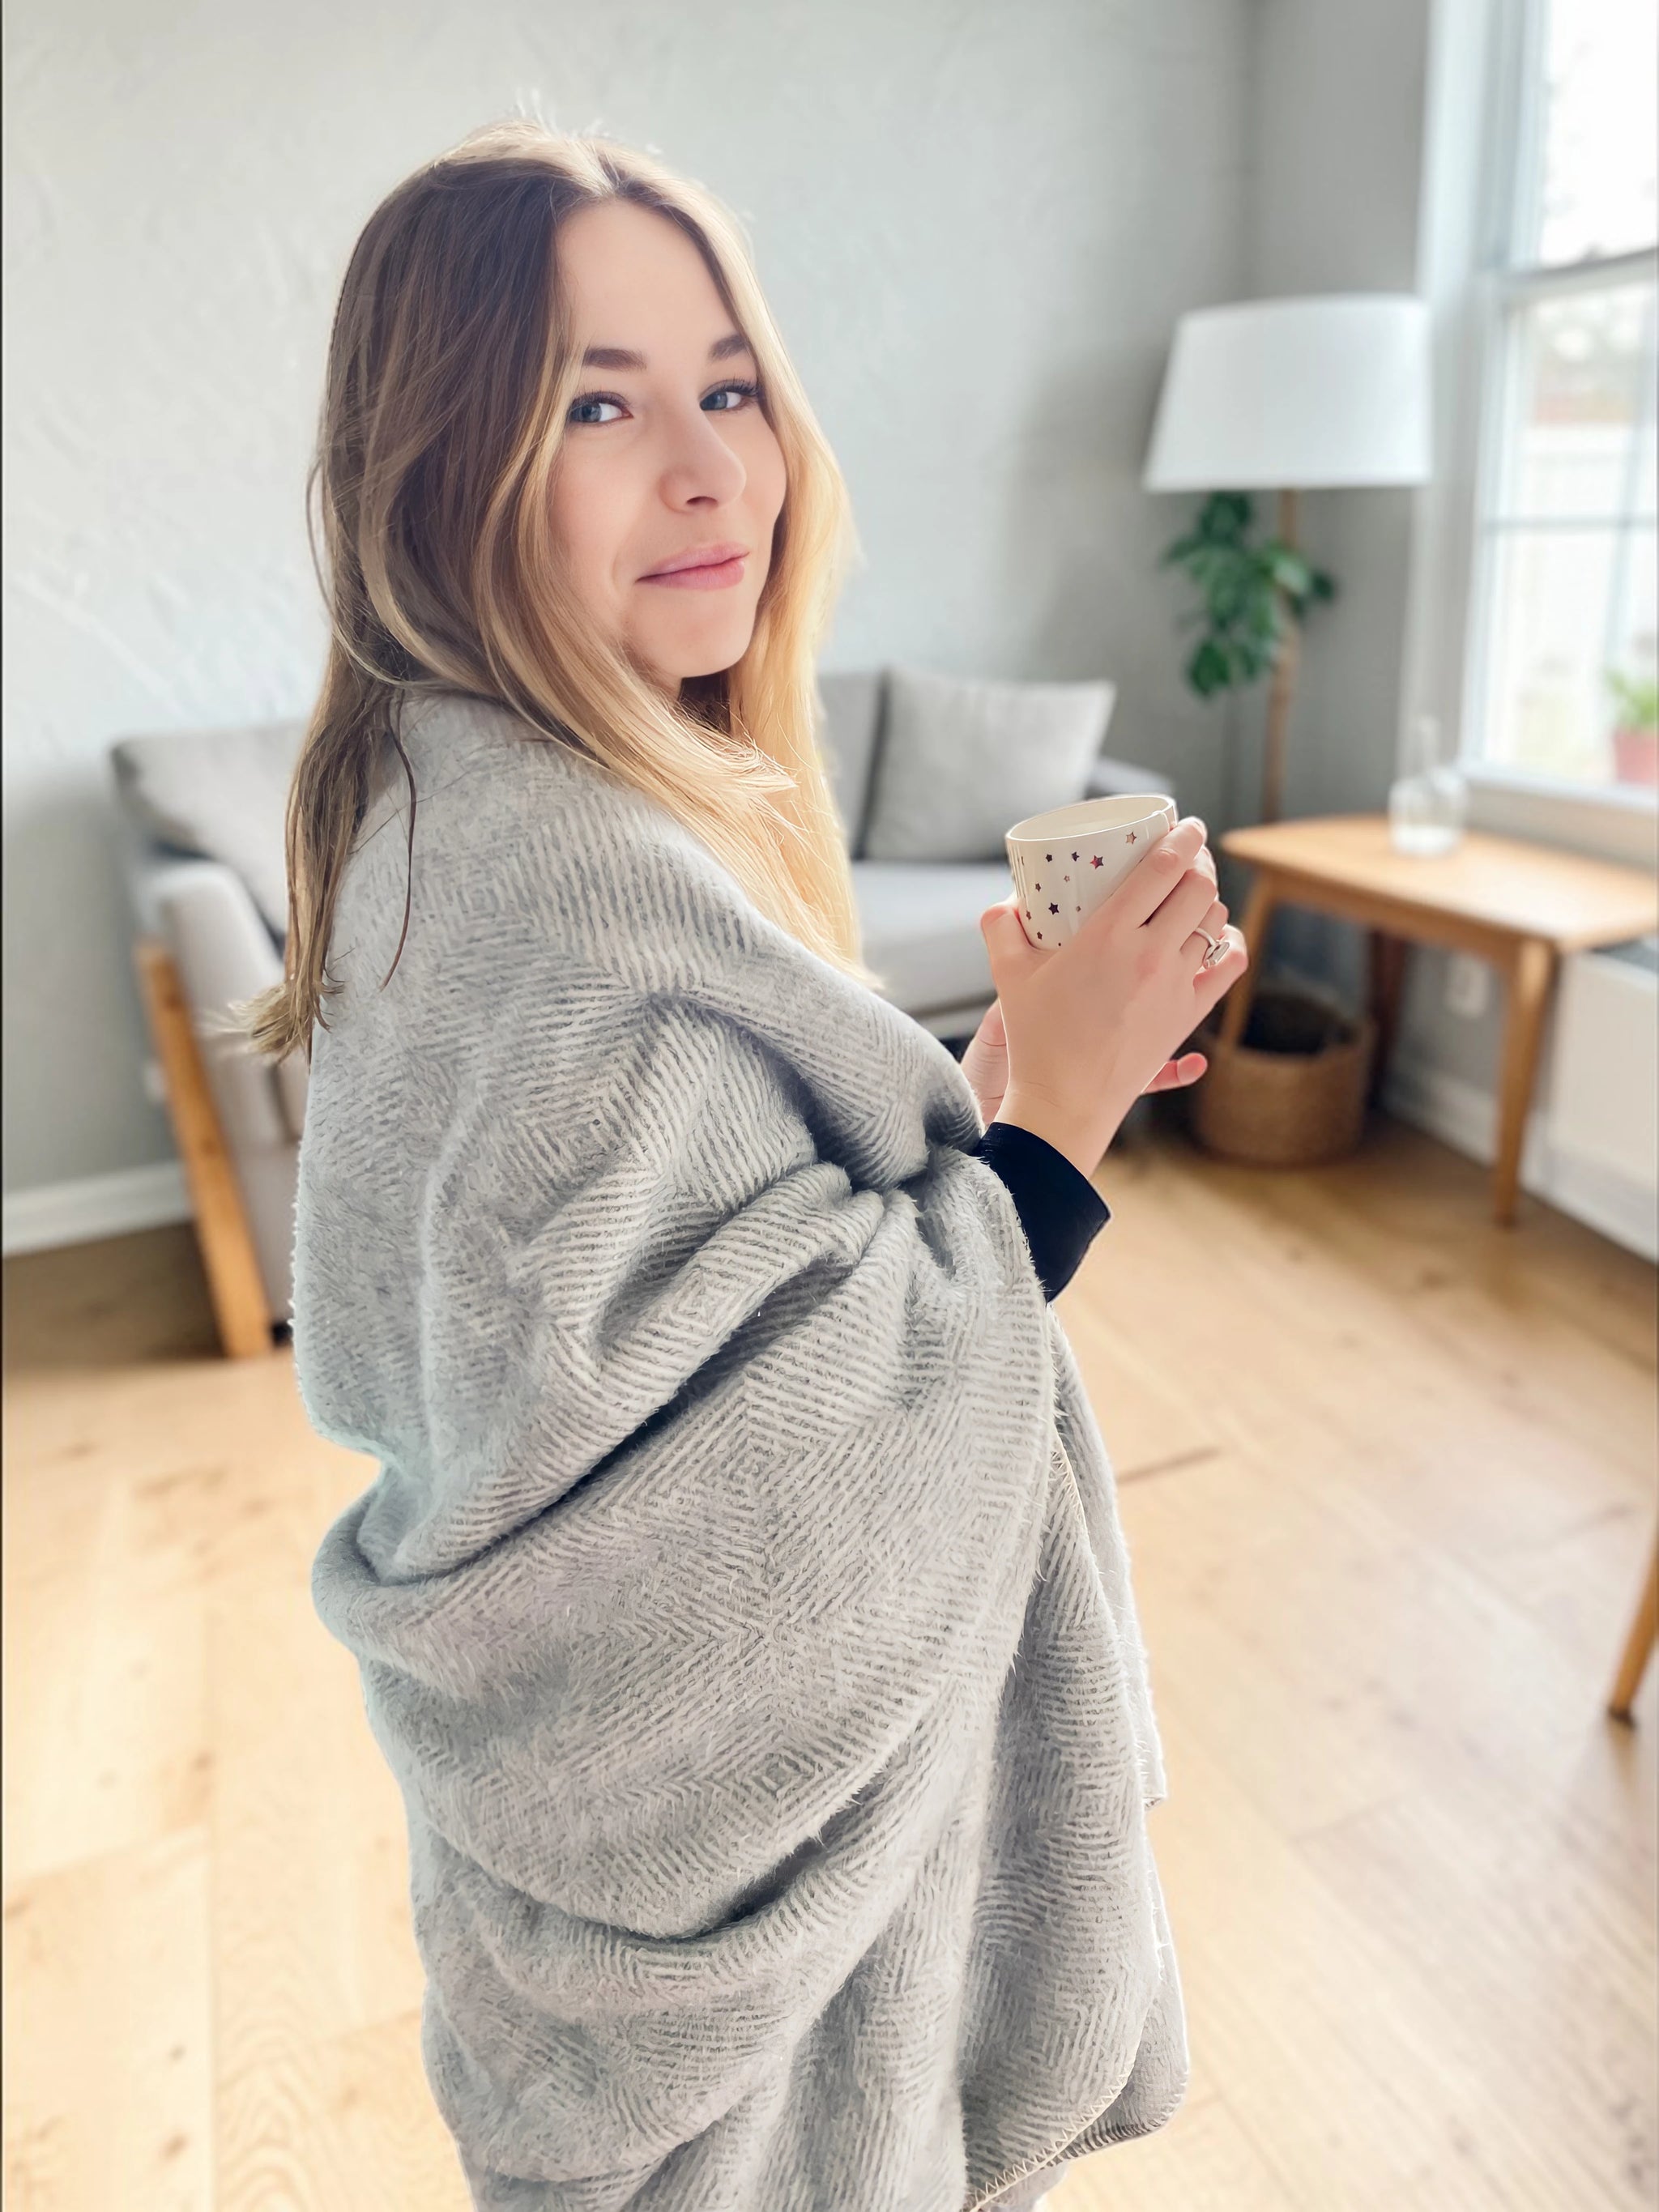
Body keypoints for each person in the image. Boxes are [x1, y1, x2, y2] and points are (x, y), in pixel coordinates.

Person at [232, 118, 1243, 2212]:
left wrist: (978, 1100)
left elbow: (689, 1304)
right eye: (597, 406)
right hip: (764, 2034)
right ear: (437, 465)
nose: (714, 473)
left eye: (730, 385)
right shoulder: (573, 899)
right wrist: (1045, 1143)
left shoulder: (449, 796)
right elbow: (747, 1558)